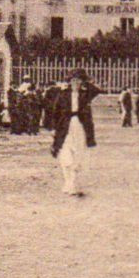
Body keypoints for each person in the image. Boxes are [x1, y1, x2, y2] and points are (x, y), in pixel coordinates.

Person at [49, 69, 98, 197]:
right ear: (69, 82)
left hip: (80, 125)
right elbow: (55, 112)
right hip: (65, 125)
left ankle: (72, 183)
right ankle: (68, 182)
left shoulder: (85, 94)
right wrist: (53, 128)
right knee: (65, 155)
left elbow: (96, 90)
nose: (75, 83)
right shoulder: (63, 94)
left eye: (78, 80)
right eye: (73, 80)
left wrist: (87, 82)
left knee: (78, 154)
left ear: (82, 82)